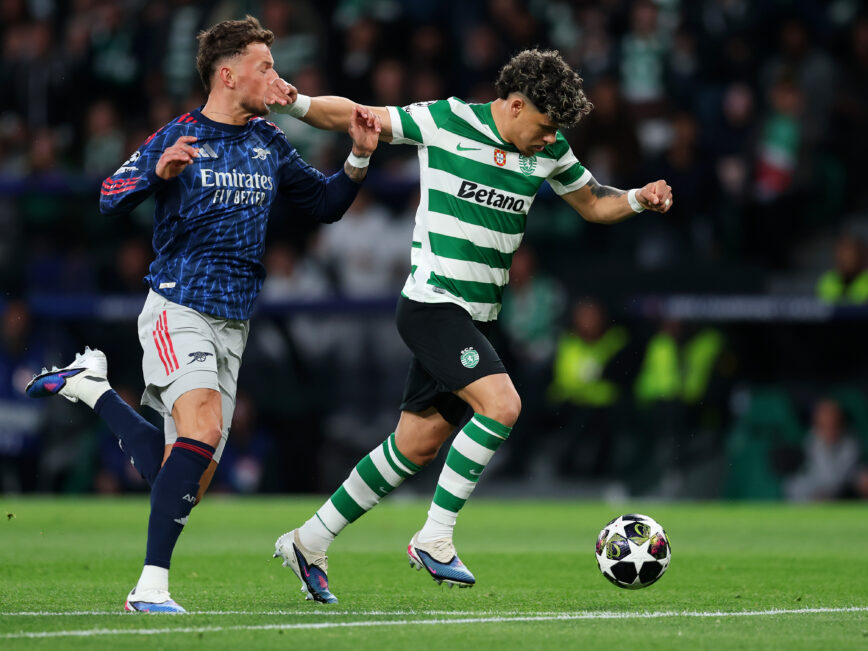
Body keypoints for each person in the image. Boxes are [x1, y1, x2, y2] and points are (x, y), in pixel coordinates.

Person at [266, 48, 673, 603]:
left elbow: (594, 204)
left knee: (415, 446)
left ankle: (308, 541)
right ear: (513, 104)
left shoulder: (549, 149)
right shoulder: (447, 120)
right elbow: (358, 115)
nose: (550, 137)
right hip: (432, 306)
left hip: (476, 320)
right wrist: (298, 102)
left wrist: (638, 199)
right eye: (545, 124)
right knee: (503, 405)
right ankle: (434, 537)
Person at [25, 16, 380, 613]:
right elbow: (110, 195)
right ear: (227, 73)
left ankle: (94, 391)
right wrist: (156, 173)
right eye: (264, 65)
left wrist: (359, 160)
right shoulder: (180, 134)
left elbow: (323, 204)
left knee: (184, 474)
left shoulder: (268, 142)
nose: (275, 75)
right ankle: (150, 587)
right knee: (206, 432)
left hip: (233, 322)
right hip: (177, 304)